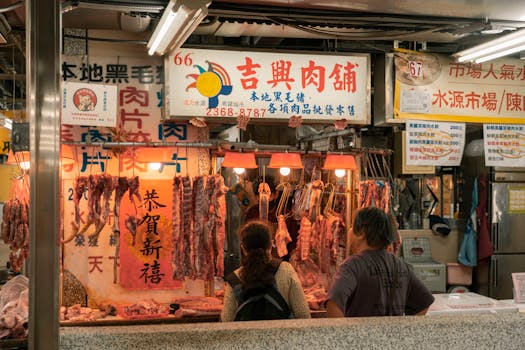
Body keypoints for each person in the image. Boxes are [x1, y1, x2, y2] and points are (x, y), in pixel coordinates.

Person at [326, 206, 434, 317]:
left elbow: (333, 304)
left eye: (352, 226)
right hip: (391, 333)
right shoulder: (401, 265)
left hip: (360, 333)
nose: (349, 230)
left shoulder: (352, 266)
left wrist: (346, 333)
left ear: (361, 233)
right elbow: (423, 304)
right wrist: (404, 329)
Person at [221, 220, 311, 321]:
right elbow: (303, 315)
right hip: (281, 335)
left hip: (246, 336)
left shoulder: (234, 279)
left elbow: (226, 322)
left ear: (243, 248)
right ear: (270, 245)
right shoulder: (286, 270)